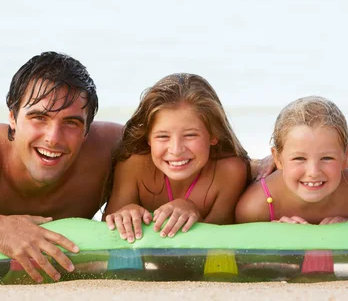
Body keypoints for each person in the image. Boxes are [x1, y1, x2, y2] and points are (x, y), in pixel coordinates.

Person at [0, 51, 124, 283]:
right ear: (13, 118)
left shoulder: (114, 151)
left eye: (71, 123)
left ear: (87, 129)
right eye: (39, 117)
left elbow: (171, 161)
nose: (53, 138)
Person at [104, 73, 249, 243]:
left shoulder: (230, 171)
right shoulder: (134, 164)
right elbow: (107, 235)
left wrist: (194, 213)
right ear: (148, 138)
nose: (176, 149)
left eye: (190, 135)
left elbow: (220, 245)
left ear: (213, 134)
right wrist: (127, 212)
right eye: (163, 137)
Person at [236, 96, 348, 224]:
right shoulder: (255, 206)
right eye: (299, 158)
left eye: (327, 158)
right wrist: (272, 233)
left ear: (344, 157)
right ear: (278, 158)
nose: (313, 172)